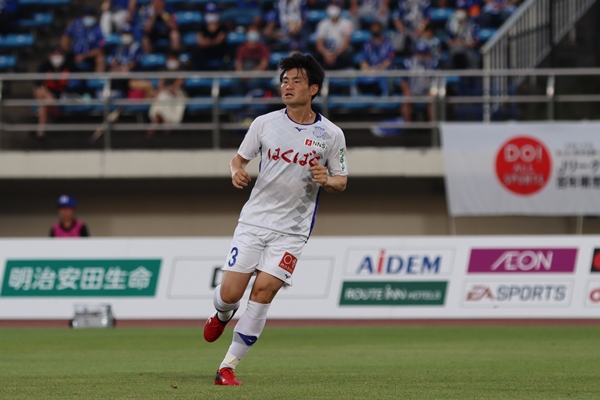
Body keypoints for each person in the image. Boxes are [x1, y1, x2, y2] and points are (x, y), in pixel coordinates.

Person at [203, 52, 348, 386]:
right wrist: (236, 172)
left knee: (264, 292)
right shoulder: (264, 123)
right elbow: (238, 160)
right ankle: (222, 313)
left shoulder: (331, 134)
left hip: (292, 231)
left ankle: (227, 367)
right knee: (230, 293)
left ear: (313, 89)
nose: (288, 86)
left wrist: (327, 180)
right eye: (284, 80)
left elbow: (341, 180)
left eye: (296, 81)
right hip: (254, 222)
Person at [33, 47, 78, 139]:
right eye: (55, 55)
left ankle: (41, 132)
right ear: (50, 56)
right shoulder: (45, 66)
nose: (57, 57)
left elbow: (81, 78)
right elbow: (37, 83)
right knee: (41, 94)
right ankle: (54, 115)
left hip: (63, 94)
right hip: (48, 94)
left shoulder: (69, 65)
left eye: (60, 55)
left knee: (44, 104)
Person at [147, 51, 186, 137]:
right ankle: (166, 123)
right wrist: (162, 90)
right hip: (165, 92)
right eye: (169, 58)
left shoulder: (181, 70)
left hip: (177, 93)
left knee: (162, 98)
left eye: (173, 58)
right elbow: (160, 85)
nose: (171, 61)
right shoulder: (164, 70)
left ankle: (154, 124)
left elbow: (176, 86)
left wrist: (167, 90)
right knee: (162, 97)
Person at [399, 41, 438, 122]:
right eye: (419, 53)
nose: (421, 56)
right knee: (406, 100)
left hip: (428, 92)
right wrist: (407, 92)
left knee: (433, 100)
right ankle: (407, 126)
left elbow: (436, 80)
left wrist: (432, 92)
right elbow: (403, 81)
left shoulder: (433, 64)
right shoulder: (409, 64)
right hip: (412, 92)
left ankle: (433, 127)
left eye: (423, 54)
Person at [61, 7, 106, 72]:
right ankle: (63, 77)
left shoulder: (98, 29)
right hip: (73, 54)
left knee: (100, 57)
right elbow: (66, 36)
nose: (88, 18)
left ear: (95, 17)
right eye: (87, 15)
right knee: (59, 55)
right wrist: (65, 51)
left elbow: (100, 49)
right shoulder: (76, 23)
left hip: (89, 56)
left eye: (91, 16)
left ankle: (99, 77)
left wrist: (84, 56)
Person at [357, 19, 395, 95]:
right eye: (373, 28)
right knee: (357, 77)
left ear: (381, 30)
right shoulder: (366, 45)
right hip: (370, 70)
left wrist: (378, 69)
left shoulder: (388, 45)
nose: (375, 29)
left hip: (383, 71)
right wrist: (368, 70)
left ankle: (386, 95)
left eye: (377, 27)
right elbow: (363, 62)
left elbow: (389, 61)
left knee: (385, 76)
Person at [314, 3, 354, 70]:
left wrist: (335, 55)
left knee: (347, 54)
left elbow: (346, 42)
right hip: (326, 52)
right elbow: (319, 43)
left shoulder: (347, 23)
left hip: (340, 52)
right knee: (315, 56)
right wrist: (326, 54)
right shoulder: (322, 24)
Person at [234, 25, 271, 94]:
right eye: (251, 31)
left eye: (254, 31)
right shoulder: (242, 48)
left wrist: (252, 75)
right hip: (244, 72)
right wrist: (241, 74)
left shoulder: (263, 47)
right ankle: (240, 99)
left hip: (257, 74)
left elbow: (264, 64)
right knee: (235, 81)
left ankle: (253, 98)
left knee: (254, 82)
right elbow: (238, 63)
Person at [192, 3, 230, 70]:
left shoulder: (222, 26)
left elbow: (219, 39)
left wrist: (210, 42)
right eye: (209, 13)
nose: (211, 16)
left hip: (218, 50)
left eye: (213, 13)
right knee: (196, 52)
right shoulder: (202, 26)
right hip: (205, 50)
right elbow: (199, 39)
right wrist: (204, 42)